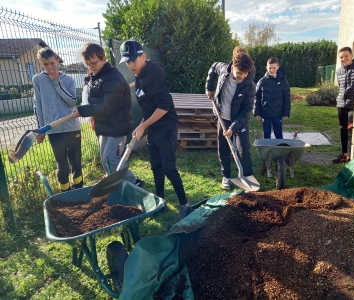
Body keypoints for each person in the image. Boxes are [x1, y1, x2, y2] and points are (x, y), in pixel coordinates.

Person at [120, 40, 192, 219]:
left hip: (166, 127)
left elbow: (164, 107)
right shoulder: (139, 75)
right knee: (156, 167)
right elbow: (149, 108)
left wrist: (143, 125)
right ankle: (159, 203)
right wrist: (142, 125)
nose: (130, 65)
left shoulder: (153, 76)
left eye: (133, 60)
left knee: (168, 168)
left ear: (143, 56)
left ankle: (185, 204)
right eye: (127, 62)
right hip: (153, 127)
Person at [72, 42, 144, 187]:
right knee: (105, 159)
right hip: (105, 124)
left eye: (93, 63)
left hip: (117, 126)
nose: (90, 67)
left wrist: (82, 110)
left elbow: (108, 108)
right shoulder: (97, 76)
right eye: (87, 64)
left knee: (110, 158)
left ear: (104, 59)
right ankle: (115, 183)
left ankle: (134, 182)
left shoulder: (113, 78)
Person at [33, 47, 83, 192]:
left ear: (57, 61)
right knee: (62, 164)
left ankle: (79, 189)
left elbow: (72, 102)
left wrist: (56, 82)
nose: (50, 67)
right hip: (54, 130)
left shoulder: (68, 79)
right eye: (46, 64)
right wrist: (41, 130)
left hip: (72, 128)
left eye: (52, 63)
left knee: (76, 161)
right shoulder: (38, 80)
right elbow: (38, 106)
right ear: (41, 64)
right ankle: (65, 192)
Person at [205, 46, 256, 189]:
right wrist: (209, 87)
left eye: (245, 74)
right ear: (232, 66)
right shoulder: (223, 69)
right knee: (223, 148)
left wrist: (233, 128)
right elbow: (213, 67)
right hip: (223, 117)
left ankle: (247, 177)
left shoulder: (250, 86)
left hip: (240, 121)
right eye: (239, 73)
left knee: (243, 149)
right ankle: (226, 176)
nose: (242, 77)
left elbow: (246, 110)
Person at [254, 57, 290, 139]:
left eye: (274, 68)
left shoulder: (283, 82)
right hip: (265, 114)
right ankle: (267, 151)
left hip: (278, 114)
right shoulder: (262, 82)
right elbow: (257, 98)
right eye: (270, 68)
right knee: (266, 135)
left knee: (279, 134)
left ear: (278, 67)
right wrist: (257, 112)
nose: (272, 70)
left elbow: (286, 98)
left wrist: (286, 113)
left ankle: (280, 150)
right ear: (266, 67)